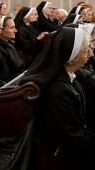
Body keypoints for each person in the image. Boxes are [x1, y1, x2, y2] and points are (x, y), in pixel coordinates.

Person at [20, 27, 95, 169]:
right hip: (61, 155)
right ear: (71, 57)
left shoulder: (71, 77)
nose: (91, 54)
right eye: (87, 50)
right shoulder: (57, 89)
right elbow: (70, 137)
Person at [0, 16, 24, 82]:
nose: (15, 30)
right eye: (12, 28)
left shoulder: (10, 43)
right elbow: (7, 76)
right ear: (1, 29)